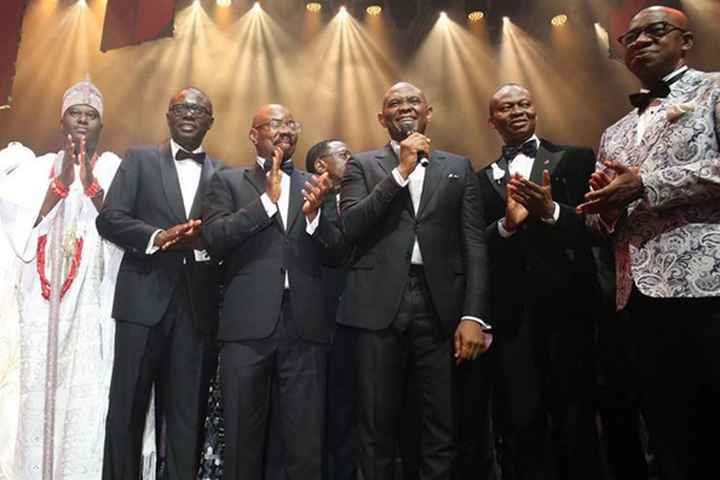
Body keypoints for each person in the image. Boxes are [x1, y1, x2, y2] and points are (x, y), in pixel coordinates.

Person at [577, 6, 720, 479]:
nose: (638, 42)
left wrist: (648, 183)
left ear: (687, 40)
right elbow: (605, 223)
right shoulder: (613, 131)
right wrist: (604, 208)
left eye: (654, 32)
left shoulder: (716, 89)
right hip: (636, 296)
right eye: (629, 38)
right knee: (666, 430)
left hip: (707, 285)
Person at [339, 81, 491, 480]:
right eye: (393, 102)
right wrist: (401, 171)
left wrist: (474, 315)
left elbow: (473, 245)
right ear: (381, 117)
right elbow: (351, 226)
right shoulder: (362, 164)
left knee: (440, 423)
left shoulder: (458, 167)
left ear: (428, 112)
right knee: (375, 425)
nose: (403, 107)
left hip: (439, 305)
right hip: (376, 305)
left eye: (412, 101)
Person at [0, 79, 145, 479]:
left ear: (103, 124)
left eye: (91, 114)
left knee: (85, 402)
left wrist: (91, 187)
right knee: (33, 399)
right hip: (37, 305)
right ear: (61, 119)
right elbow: (16, 232)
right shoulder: (32, 169)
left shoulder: (117, 169)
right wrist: (58, 186)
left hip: (90, 307)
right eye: (75, 112)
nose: (82, 119)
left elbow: (126, 231)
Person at [202, 104, 342, 479]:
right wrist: (266, 202)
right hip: (247, 327)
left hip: (305, 328)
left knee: (304, 443)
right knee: (242, 442)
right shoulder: (227, 182)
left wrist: (314, 219)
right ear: (254, 134)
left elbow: (338, 250)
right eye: (275, 125)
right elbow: (214, 239)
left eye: (291, 124)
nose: (285, 131)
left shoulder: (315, 184)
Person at [477, 83, 602, 480]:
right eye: (506, 107)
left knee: (576, 414)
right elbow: (474, 245)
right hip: (511, 314)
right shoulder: (479, 179)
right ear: (491, 120)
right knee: (520, 417)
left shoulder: (576, 158)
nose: (517, 111)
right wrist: (506, 226)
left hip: (571, 308)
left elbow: (600, 228)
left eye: (524, 103)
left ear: (535, 111)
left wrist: (552, 211)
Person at [97, 86, 223, 480]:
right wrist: (159, 237)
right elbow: (110, 218)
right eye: (181, 107)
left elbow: (226, 237)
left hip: (196, 309)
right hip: (141, 302)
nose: (189, 113)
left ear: (210, 122)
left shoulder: (224, 172)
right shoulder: (139, 159)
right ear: (168, 116)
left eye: (198, 109)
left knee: (187, 416)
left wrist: (205, 245)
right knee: (127, 410)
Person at [306, 139, 356, 480]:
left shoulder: (364, 197)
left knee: (352, 414)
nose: (351, 158)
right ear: (320, 166)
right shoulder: (305, 199)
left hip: (360, 320)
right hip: (314, 322)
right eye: (343, 154)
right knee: (312, 414)